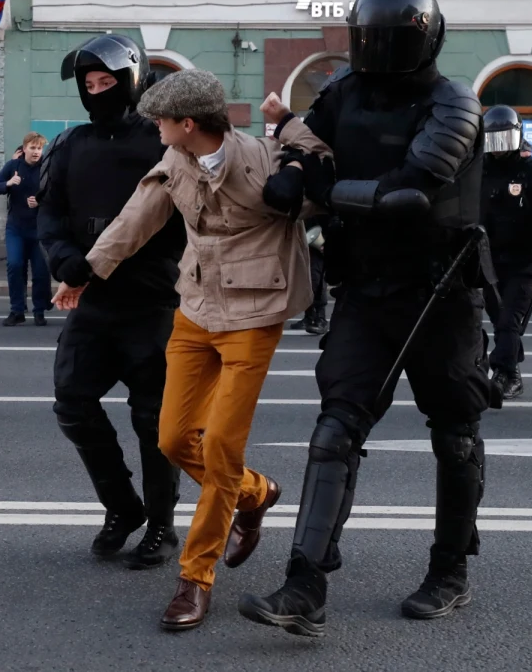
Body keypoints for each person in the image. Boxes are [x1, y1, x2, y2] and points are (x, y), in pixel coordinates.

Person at [239, 0, 493, 637]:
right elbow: (307, 142)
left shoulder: (455, 101)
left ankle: (450, 569)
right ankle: (304, 585)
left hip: (439, 294)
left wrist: (325, 186)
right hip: (366, 287)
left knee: (455, 434)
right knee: (334, 430)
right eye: (369, 39)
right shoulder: (344, 90)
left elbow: (410, 191)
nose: (376, 52)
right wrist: (292, 175)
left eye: (389, 40)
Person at [53, 69, 332, 631]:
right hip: (195, 308)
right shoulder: (175, 162)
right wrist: (84, 271)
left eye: (160, 118)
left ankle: (195, 578)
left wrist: (293, 140)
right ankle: (256, 494)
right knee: (173, 436)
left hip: (254, 314)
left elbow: (321, 163)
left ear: (187, 123)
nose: (151, 124)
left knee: (223, 447)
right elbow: (134, 220)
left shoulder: (262, 158)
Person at [37, 34, 187, 573]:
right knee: (72, 402)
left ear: (133, 82)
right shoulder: (71, 144)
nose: (98, 93)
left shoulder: (163, 142)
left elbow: (188, 217)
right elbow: (50, 214)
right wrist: (62, 258)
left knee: (154, 420)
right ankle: (123, 508)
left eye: (108, 83)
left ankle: (164, 527)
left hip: (154, 304)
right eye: (90, 85)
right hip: (95, 302)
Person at [480, 105, 532, 401]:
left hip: (522, 261)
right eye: (493, 139)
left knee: (507, 320)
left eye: (505, 139)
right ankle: (510, 363)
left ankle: (505, 374)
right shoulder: (478, 168)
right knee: (499, 318)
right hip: (485, 260)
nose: (499, 148)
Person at [0, 132, 53, 326]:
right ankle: (17, 311)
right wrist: (8, 184)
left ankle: (39, 310)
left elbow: (58, 196)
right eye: (32, 148)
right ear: (24, 149)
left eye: (39, 148)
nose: (36, 152)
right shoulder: (13, 166)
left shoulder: (46, 169)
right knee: (15, 265)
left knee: (41, 271)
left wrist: (40, 202)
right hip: (16, 228)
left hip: (40, 230)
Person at [288, 215, 330, 335]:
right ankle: (309, 317)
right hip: (307, 245)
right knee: (307, 281)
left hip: (318, 245)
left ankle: (320, 319)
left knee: (316, 281)